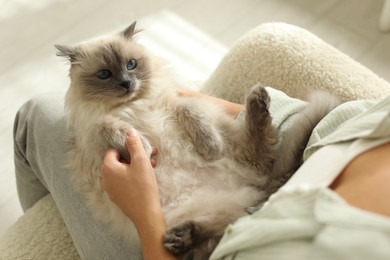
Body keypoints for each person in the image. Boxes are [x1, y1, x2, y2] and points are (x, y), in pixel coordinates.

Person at [13, 23, 390, 260]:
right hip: (262, 183)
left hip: (170, 230)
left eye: (131, 67)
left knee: (34, 115)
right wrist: (223, 108)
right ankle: (256, 147)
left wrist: (145, 214)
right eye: (107, 76)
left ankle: (46, 224)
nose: (126, 83)